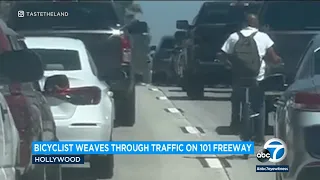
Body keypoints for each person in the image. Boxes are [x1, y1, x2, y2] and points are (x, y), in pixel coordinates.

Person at [219, 13, 281, 145]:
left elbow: (222, 55)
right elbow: (273, 58)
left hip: (239, 77)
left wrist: (229, 65)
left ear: (244, 24)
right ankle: (259, 136)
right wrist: (278, 62)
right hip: (257, 78)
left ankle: (235, 123)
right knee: (259, 105)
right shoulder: (263, 37)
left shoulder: (234, 37)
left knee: (236, 99)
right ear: (256, 23)